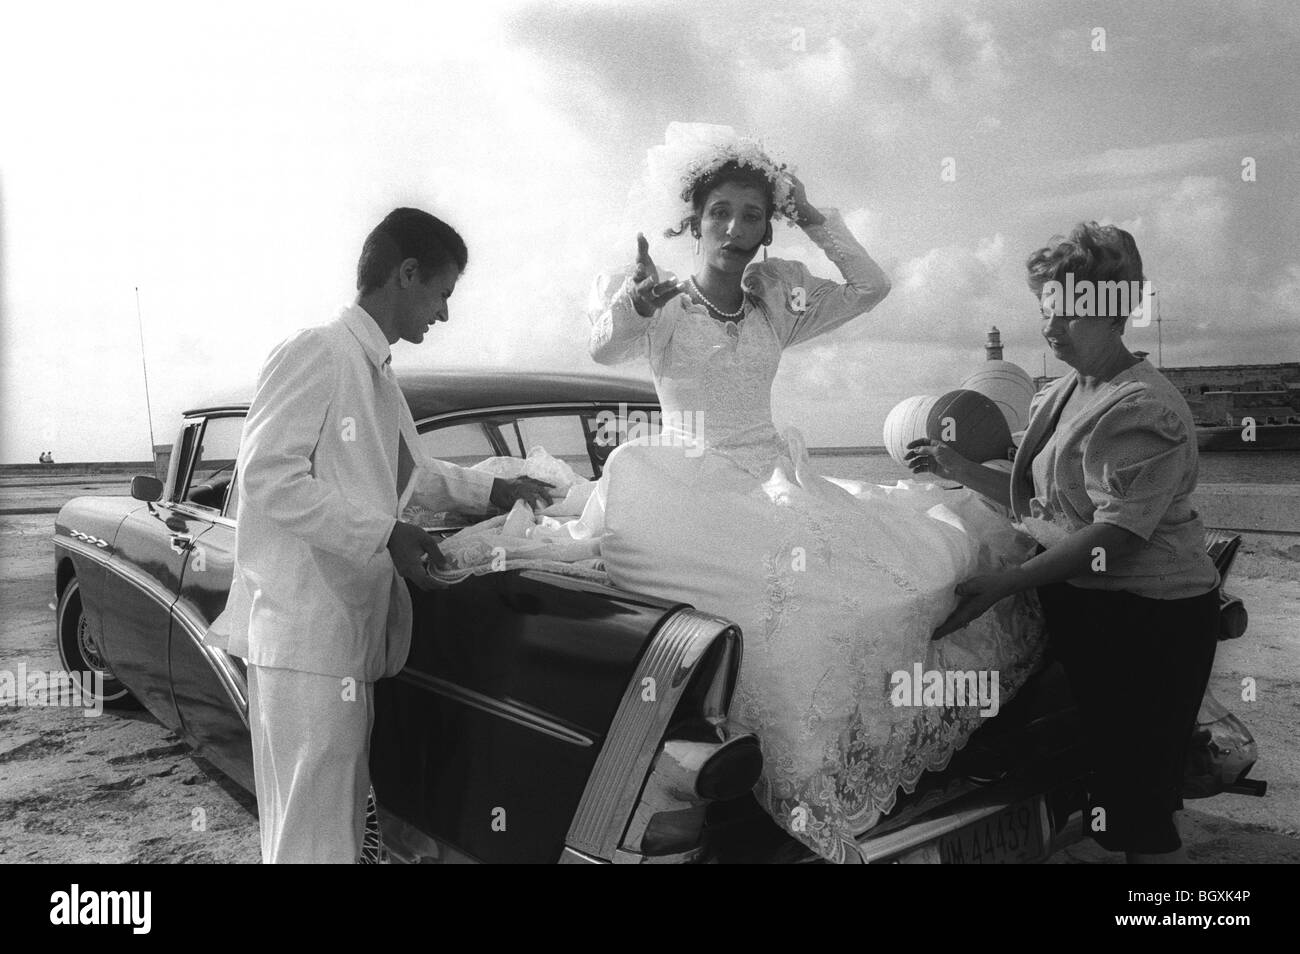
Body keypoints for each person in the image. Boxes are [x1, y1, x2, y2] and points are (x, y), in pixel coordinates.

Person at [587, 124, 1045, 863]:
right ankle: (799, 777)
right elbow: (605, 346)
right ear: (693, 222)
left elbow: (873, 287)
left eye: (751, 214)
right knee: (792, 616)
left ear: (767, 227)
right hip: (685, 487)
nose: (735, 230)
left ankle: (887, 746)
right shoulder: (663, 304)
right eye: (720, 214)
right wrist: (636, 305)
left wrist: (812, 215)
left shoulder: (776, 300)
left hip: (773, 478)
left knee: (911, 569)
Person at [207, 208, 552, 863]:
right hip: (307, 640)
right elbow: (268, 478)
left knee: (332, 831)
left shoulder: (376, 373)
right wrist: (384, 535)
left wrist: (494, 490)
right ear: (407, 273)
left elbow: (407, 476)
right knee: (314, 841)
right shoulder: (318, 350)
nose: (444, 315)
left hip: (343, 641)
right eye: (443, 294)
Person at [913, 222, 1220, 863]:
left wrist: (1006, 583)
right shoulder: (1061, 392)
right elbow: (1041, 508)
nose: (1050, 331)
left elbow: (1115, 537)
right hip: (1089, 612)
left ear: (1115, 312)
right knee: (1117, 778)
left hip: (1151, 622)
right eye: (1046, 312)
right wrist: (960, 469)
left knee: (1141, 807)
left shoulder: (1143, 407)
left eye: (1070, 315)